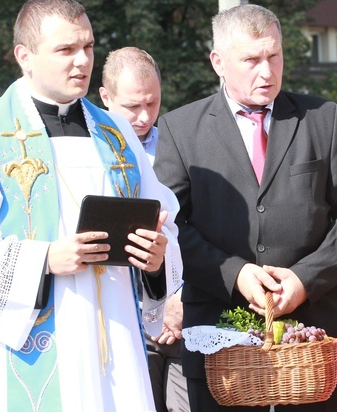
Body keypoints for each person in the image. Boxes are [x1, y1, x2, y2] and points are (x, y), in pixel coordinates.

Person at [0, 0, 183, 411]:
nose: (82, 61)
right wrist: (43, 258)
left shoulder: (116, 132)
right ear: (25, 56)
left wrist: (155, 260)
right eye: (66, 49)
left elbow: (163, 217)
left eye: (88, 47)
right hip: (31, 342)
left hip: (114, 337)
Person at [154, 4, 337, 411]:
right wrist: (234, 273)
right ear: (218, 62)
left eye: (274, 56)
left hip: (313, 340)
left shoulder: (322, 119)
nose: (267, 71)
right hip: (220, 344)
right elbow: (172, 227)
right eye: (251, 60)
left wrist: (305, 280)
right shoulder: (179, 130)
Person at [101, 46, 190, 412]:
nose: (143, 117)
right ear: (105, 97)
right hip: (120, 316)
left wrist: (182, 295)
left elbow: (203, 225)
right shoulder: (89, 152)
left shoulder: (182, 145)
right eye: (132, 106)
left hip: (182, 316)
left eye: (152, 104)